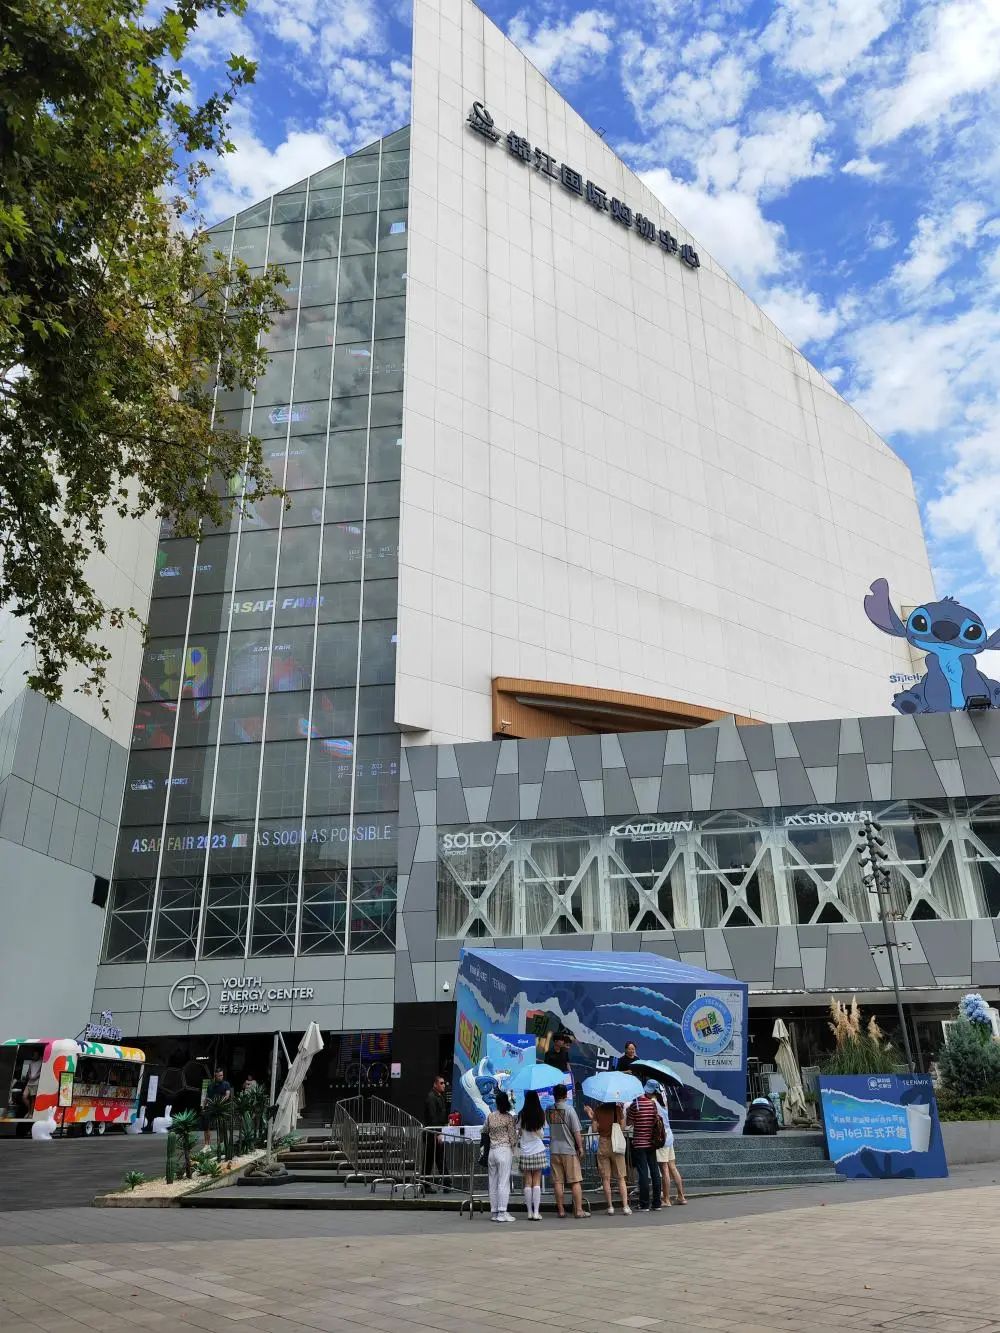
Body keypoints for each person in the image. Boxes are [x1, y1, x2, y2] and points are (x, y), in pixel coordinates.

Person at [547, 1083, 587, 1219]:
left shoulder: (549, 1110)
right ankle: (579, 1210)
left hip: (554, 1149)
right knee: (575, 1180)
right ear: (565, 1095)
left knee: (558, 1182)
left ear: (554, 1095)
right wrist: (580, 1147)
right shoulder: (570, 1110)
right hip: (568, 1149)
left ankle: (561, 1210)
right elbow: (576, 1131)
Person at [584, 1099, 631, 1215]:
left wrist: (592, 1117)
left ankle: (610, 1207)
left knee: (606, 1178)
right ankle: (625, 1206)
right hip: (617, 1144)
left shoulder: (598, 1110)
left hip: (603, 1143)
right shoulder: (617, 1109)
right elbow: (623, 1126)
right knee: (621, 1177)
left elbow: (594, 1129)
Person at [627, 1080, 662, 1212]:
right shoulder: (653, 1104)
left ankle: (644, 1204)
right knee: (654, 1171)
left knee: (643, 1173)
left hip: (639, 1143)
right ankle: (657, 1203)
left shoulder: (635, 1105)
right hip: (651, 1143)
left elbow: (629, 1122)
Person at [650, 1083, 687, 1206]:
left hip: (661, 1138)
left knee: (664, 1169)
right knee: (672, 1167)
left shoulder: (652, 1103)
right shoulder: (663, 1101)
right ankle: (681, 1196)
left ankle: (666, 1199)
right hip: (669, 1136)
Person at [485, 1089, 519, 1223]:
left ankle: (494, 1212)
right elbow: (513, 1137)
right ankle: (502, 1212)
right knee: (503, 1182)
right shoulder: (509, 1118)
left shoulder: (490, 1116)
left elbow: (484, 1130)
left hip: (491, 1151)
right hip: (504, 1151)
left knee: (492, 1182)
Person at [517, 1089, 547, 1221]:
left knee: (528, 1182)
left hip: (525, 1151)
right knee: (537, 1182)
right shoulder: (541, 1113)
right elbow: (542, 1134)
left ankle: (529, 1212)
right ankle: (536, 1212)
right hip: (538, 1150)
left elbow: (519, 1132)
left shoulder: (521, 1114)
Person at [423, 1075, 449, 1186]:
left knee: (437, 1158)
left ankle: (446, 1183)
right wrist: (437, 1133)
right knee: (431, 1160)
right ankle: (445, 1183)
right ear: (435, 1084)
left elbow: (440, 1115)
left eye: (444, 1083)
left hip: (436, 1132)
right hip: (432, 1134)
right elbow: (432, 1117)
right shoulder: (431, 1097)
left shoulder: (439, 1097)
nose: (444, 1085)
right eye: (441, 1083)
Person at [202, 1067, 232, 1147]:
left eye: (222, 1075)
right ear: (215, 1076)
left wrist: (220, 1103)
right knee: (206, 1125)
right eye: (219, 1076)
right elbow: (207, 1097)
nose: (221, 1077)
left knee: (221, 1126)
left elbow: (227, 1095)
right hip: (211, 1108)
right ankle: (207, 1145)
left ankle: (221, 1144)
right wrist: (203, 1108)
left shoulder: (226, 1084)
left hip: (221, 1108)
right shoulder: (210, 1085)